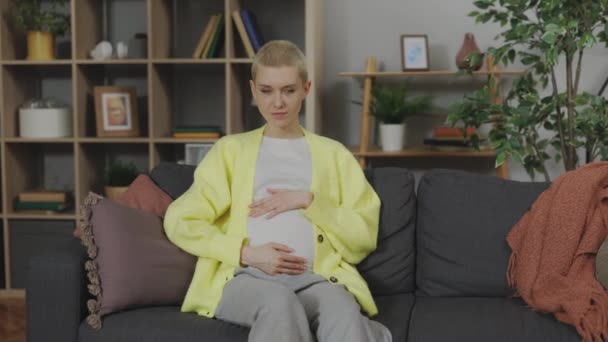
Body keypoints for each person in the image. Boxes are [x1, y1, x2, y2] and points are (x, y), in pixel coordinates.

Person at [164, 40, 392, 342]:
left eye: (288, 90)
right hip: (245, 279)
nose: (278, 103)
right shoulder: (230, 151)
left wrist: (311, 201)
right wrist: (246, 254)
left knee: (343, 309)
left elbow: (363, 235)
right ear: (253, 90)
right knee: (279, 303)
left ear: (306, 89)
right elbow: (179, 221)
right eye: (267, 90)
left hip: (317, 278)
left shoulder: (334, 155)